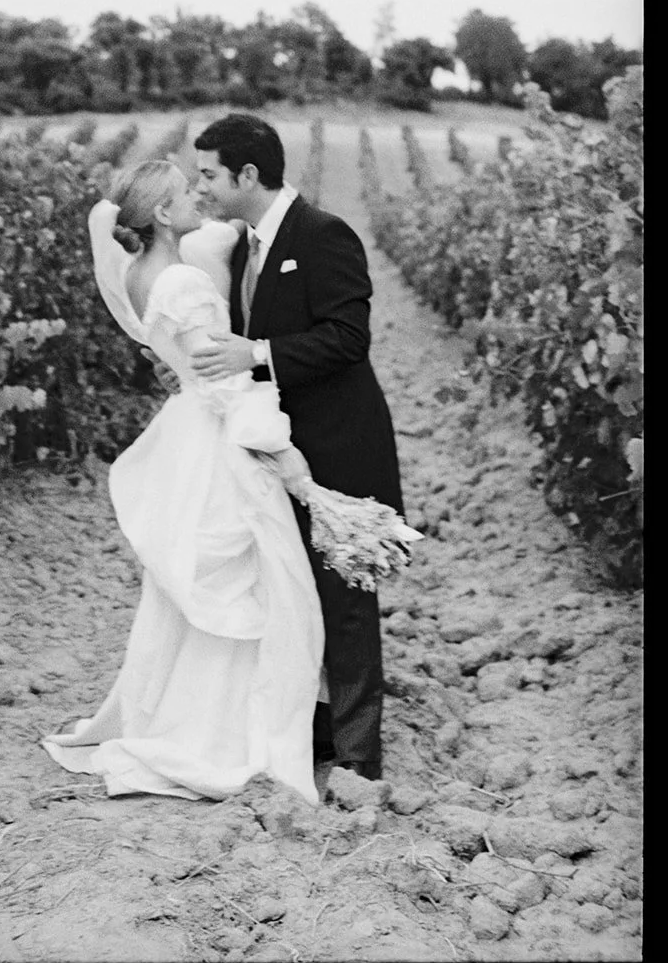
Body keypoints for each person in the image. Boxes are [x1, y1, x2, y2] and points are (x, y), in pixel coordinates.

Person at [41, 159, 326, 805]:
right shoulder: (183, 283)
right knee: (248, 580)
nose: (199, 197)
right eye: (184, 193)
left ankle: (189, 713)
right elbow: (223, 381)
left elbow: (181, 364)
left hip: (185, 429)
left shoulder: (141, 276)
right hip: (216, 437)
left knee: (196, 585)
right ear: (164, 215)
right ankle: (222, 734)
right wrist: (281, 453)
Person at [191, 113, 404, 782]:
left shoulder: (321, 234)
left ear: (247, 176)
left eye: (209, 175)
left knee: (344, 598)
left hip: (339, 444)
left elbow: (349, 338)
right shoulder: (241, 245)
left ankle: (359, 760)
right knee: (294, 595)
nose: (202, 188)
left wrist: (254, 354)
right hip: (280, 450)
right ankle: (312, 733)